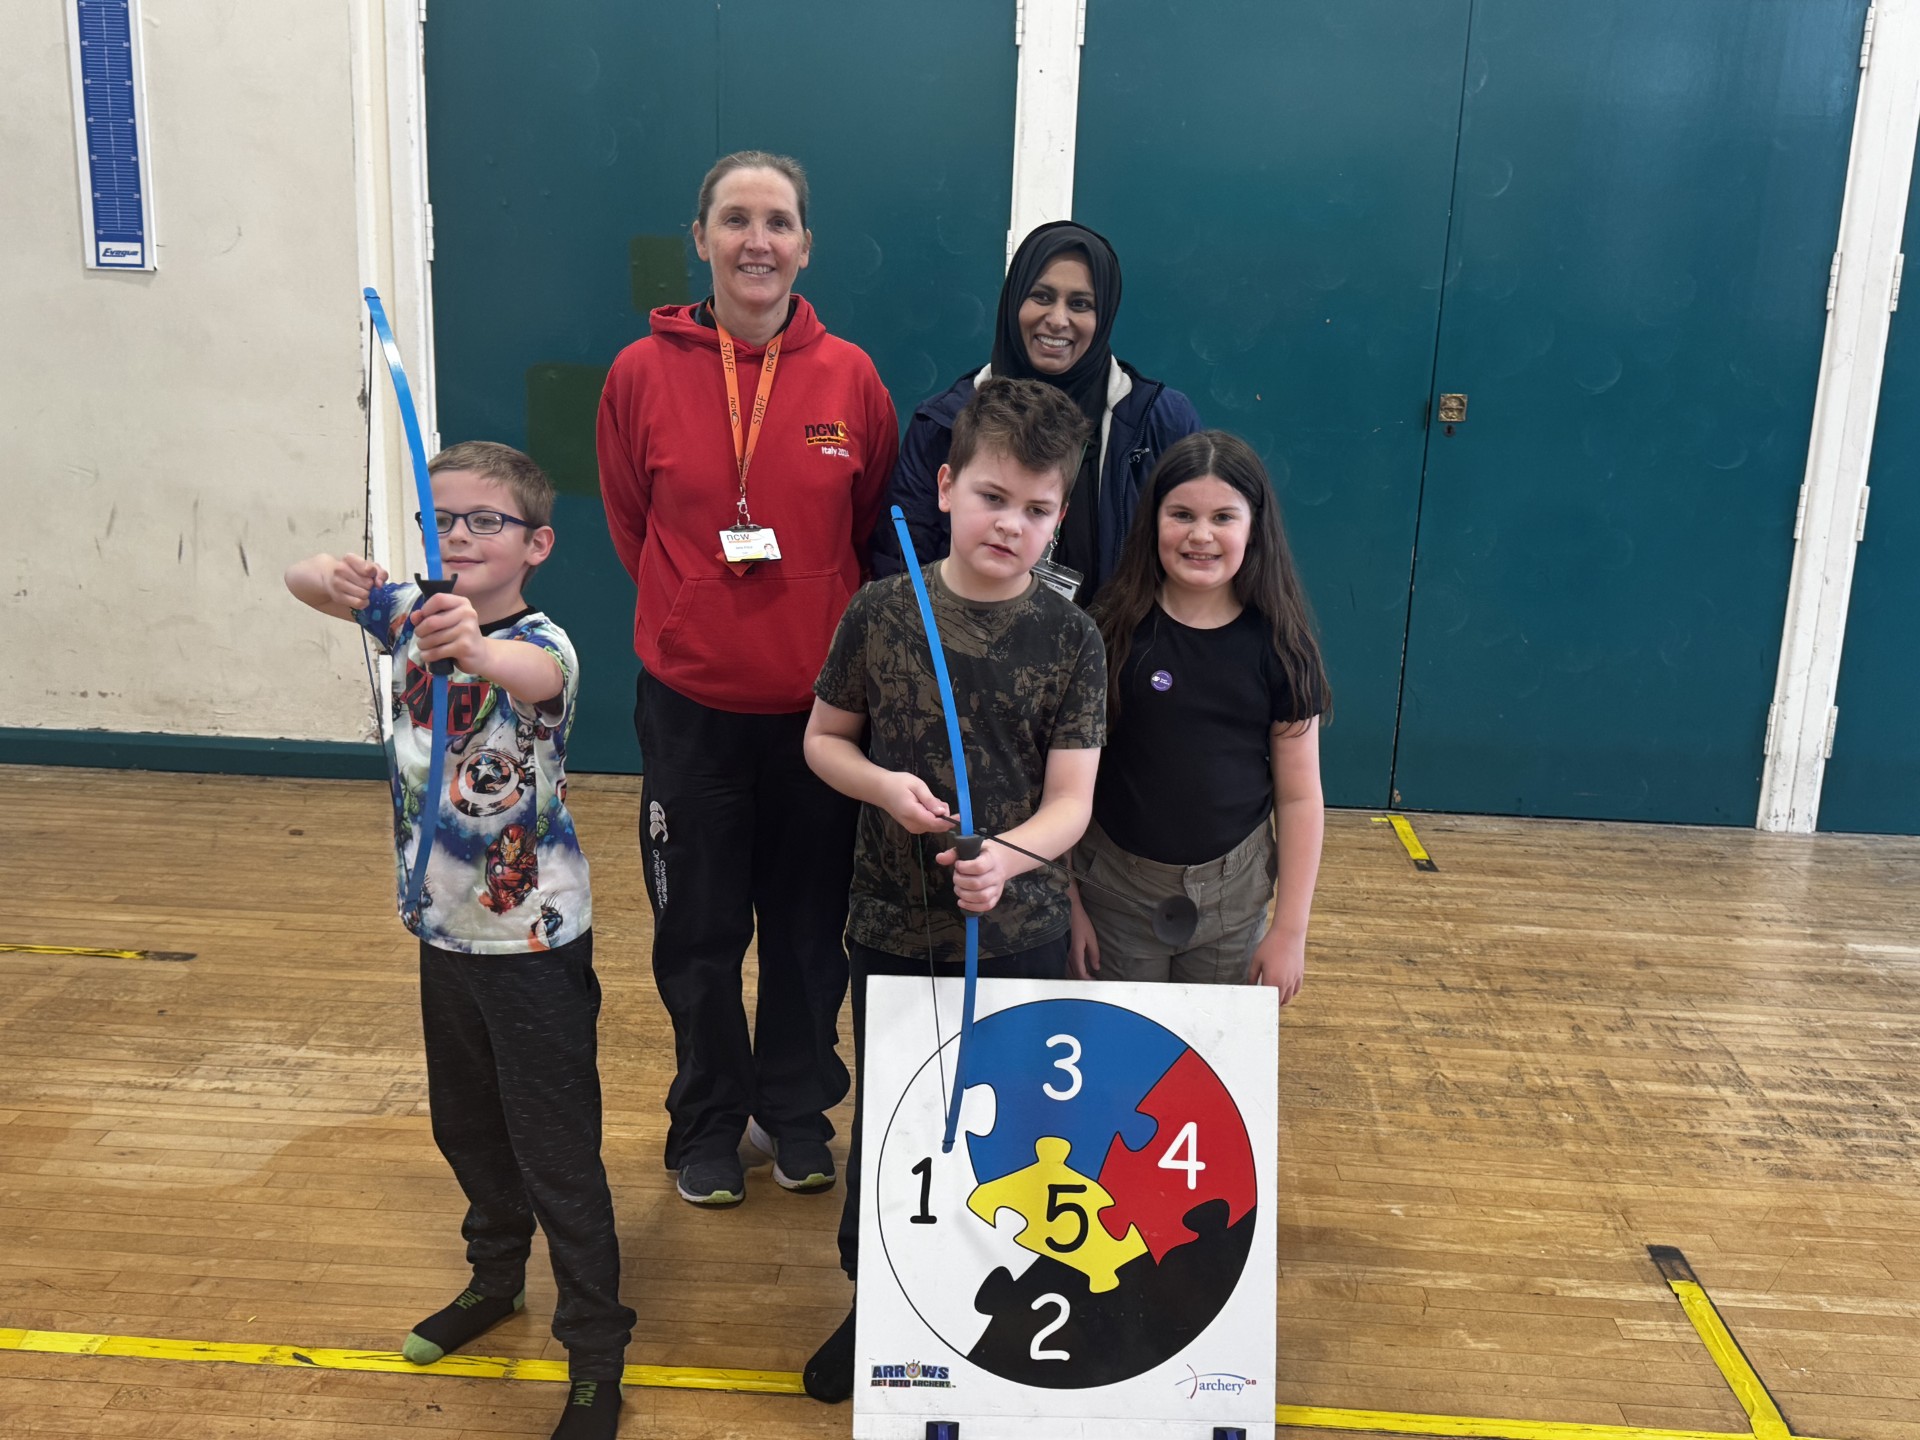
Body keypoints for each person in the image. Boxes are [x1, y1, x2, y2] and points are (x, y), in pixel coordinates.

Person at [284, 442, 633, 1440]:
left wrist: (471, 646)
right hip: (443, 932)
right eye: (443, 521)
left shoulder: (544, 644)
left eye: (487, 521)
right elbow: (301, 579)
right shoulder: (408, 609)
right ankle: (496, 1280)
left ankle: (596, 1354)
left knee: (558, 1153)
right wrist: (344, 577)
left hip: (530, 941)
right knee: (467, 1128)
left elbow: (523, 670)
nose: (462, 537)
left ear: (538, 542)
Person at [596, 151, 899, 1207]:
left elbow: (865, 536)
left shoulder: (850, 377)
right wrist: (697, 618)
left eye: (777, 221)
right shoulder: (640, 372)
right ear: (702, 237)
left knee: (813, 930)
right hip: (690, 714)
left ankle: (796, 1112)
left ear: (805, 245)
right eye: (736, 219)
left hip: (821, 717)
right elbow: (632, 523)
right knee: (702, 931)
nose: (756, 241)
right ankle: (710, 1123)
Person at [798, 377, 1106, 1403]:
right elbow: (823, 741)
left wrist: (1010, 858)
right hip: (890, 920)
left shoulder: (1074, 639)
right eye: (991, 497)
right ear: (944, 486)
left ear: (1061, 516)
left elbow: (1070, 802)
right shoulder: (884, 611)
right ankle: (875, 1298)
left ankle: (1002, 1307)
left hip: (1013, 928)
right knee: (894, 1119)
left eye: (1037, 508)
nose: (1010, 525)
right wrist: (884, 787)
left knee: (1008, 1132)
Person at [1069, 430, 1330, 996]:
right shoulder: (1108, 630)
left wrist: (1290, 930)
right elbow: (1063, 779)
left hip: (1232, 907)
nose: (1201, 535)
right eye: (1181, 514)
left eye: (1224, 517)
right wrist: (1069, 904)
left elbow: (1300, 795)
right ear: (1152, 520)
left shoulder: (1283, 645)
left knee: (1207, 1064)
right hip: (1112, 893)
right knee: (1123, 1064)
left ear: (1255, 526)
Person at [875, 220, 1202, 602]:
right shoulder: (944, 423)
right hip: (962, 657)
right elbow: (902, 569)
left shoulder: (1160, 422)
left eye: (1080, 304)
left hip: (1117, 659)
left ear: (1106, 315)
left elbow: (1194, 557)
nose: (1058, 319)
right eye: (1042, 296)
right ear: (1014, 300)